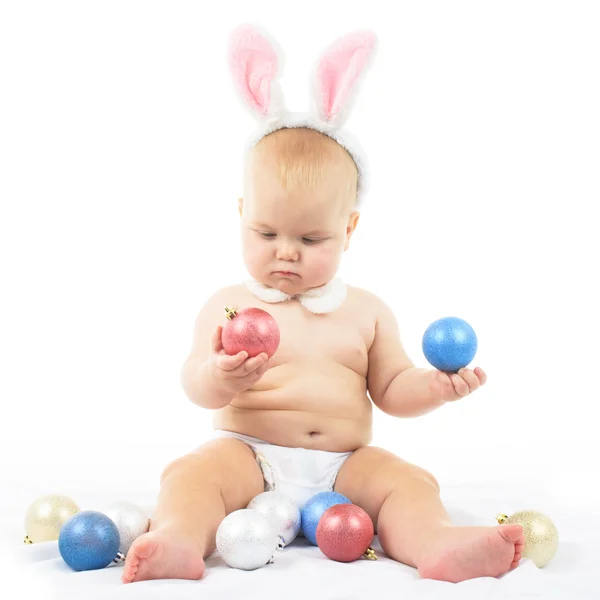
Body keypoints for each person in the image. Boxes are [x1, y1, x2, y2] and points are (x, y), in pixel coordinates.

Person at [122, 24, 523, 584]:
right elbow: (194, 385)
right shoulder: (230, 307)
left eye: (311, 240)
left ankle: (435, 544)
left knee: (408, 481)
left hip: (344, 466)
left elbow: (390, 391)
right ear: (242, 214)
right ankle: (178, 540)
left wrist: (433, 388)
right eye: (266, 233)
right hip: (249, 456)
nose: (286, 254)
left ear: (349, 229)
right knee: (192, 475)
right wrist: (221, 375)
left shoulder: (366, 311)